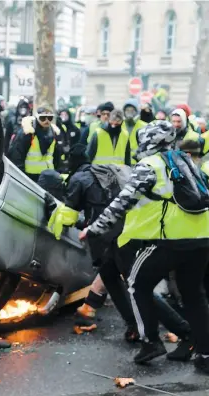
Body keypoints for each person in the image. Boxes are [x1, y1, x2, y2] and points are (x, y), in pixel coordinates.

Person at [79, 121, 209, 372]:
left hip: (171, 239)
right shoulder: (187, 160)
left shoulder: (150, 165)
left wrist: (94, 229)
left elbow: (122, 202)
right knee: (194, 295)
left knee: (137, 283)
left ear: (147, 142)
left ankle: (150, 341)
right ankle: (205, 354)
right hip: (202, 238)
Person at [9, 105, 62, 183]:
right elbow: (17, 155)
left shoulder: (54, 132)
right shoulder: (27, 132)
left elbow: (56, 155)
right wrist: (22, 176)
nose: (46, 121)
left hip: (49, 175)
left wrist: (56, 172)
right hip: (29, 177)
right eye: (43, 118)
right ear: (37, 117)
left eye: (50, 118)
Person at [122, 98, 148, 164]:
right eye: (127, 110)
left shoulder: (145, 126)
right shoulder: (120, 125)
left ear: (137, 111)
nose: (129, 112)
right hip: (122, 165)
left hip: (139, 164)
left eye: (132, 110)